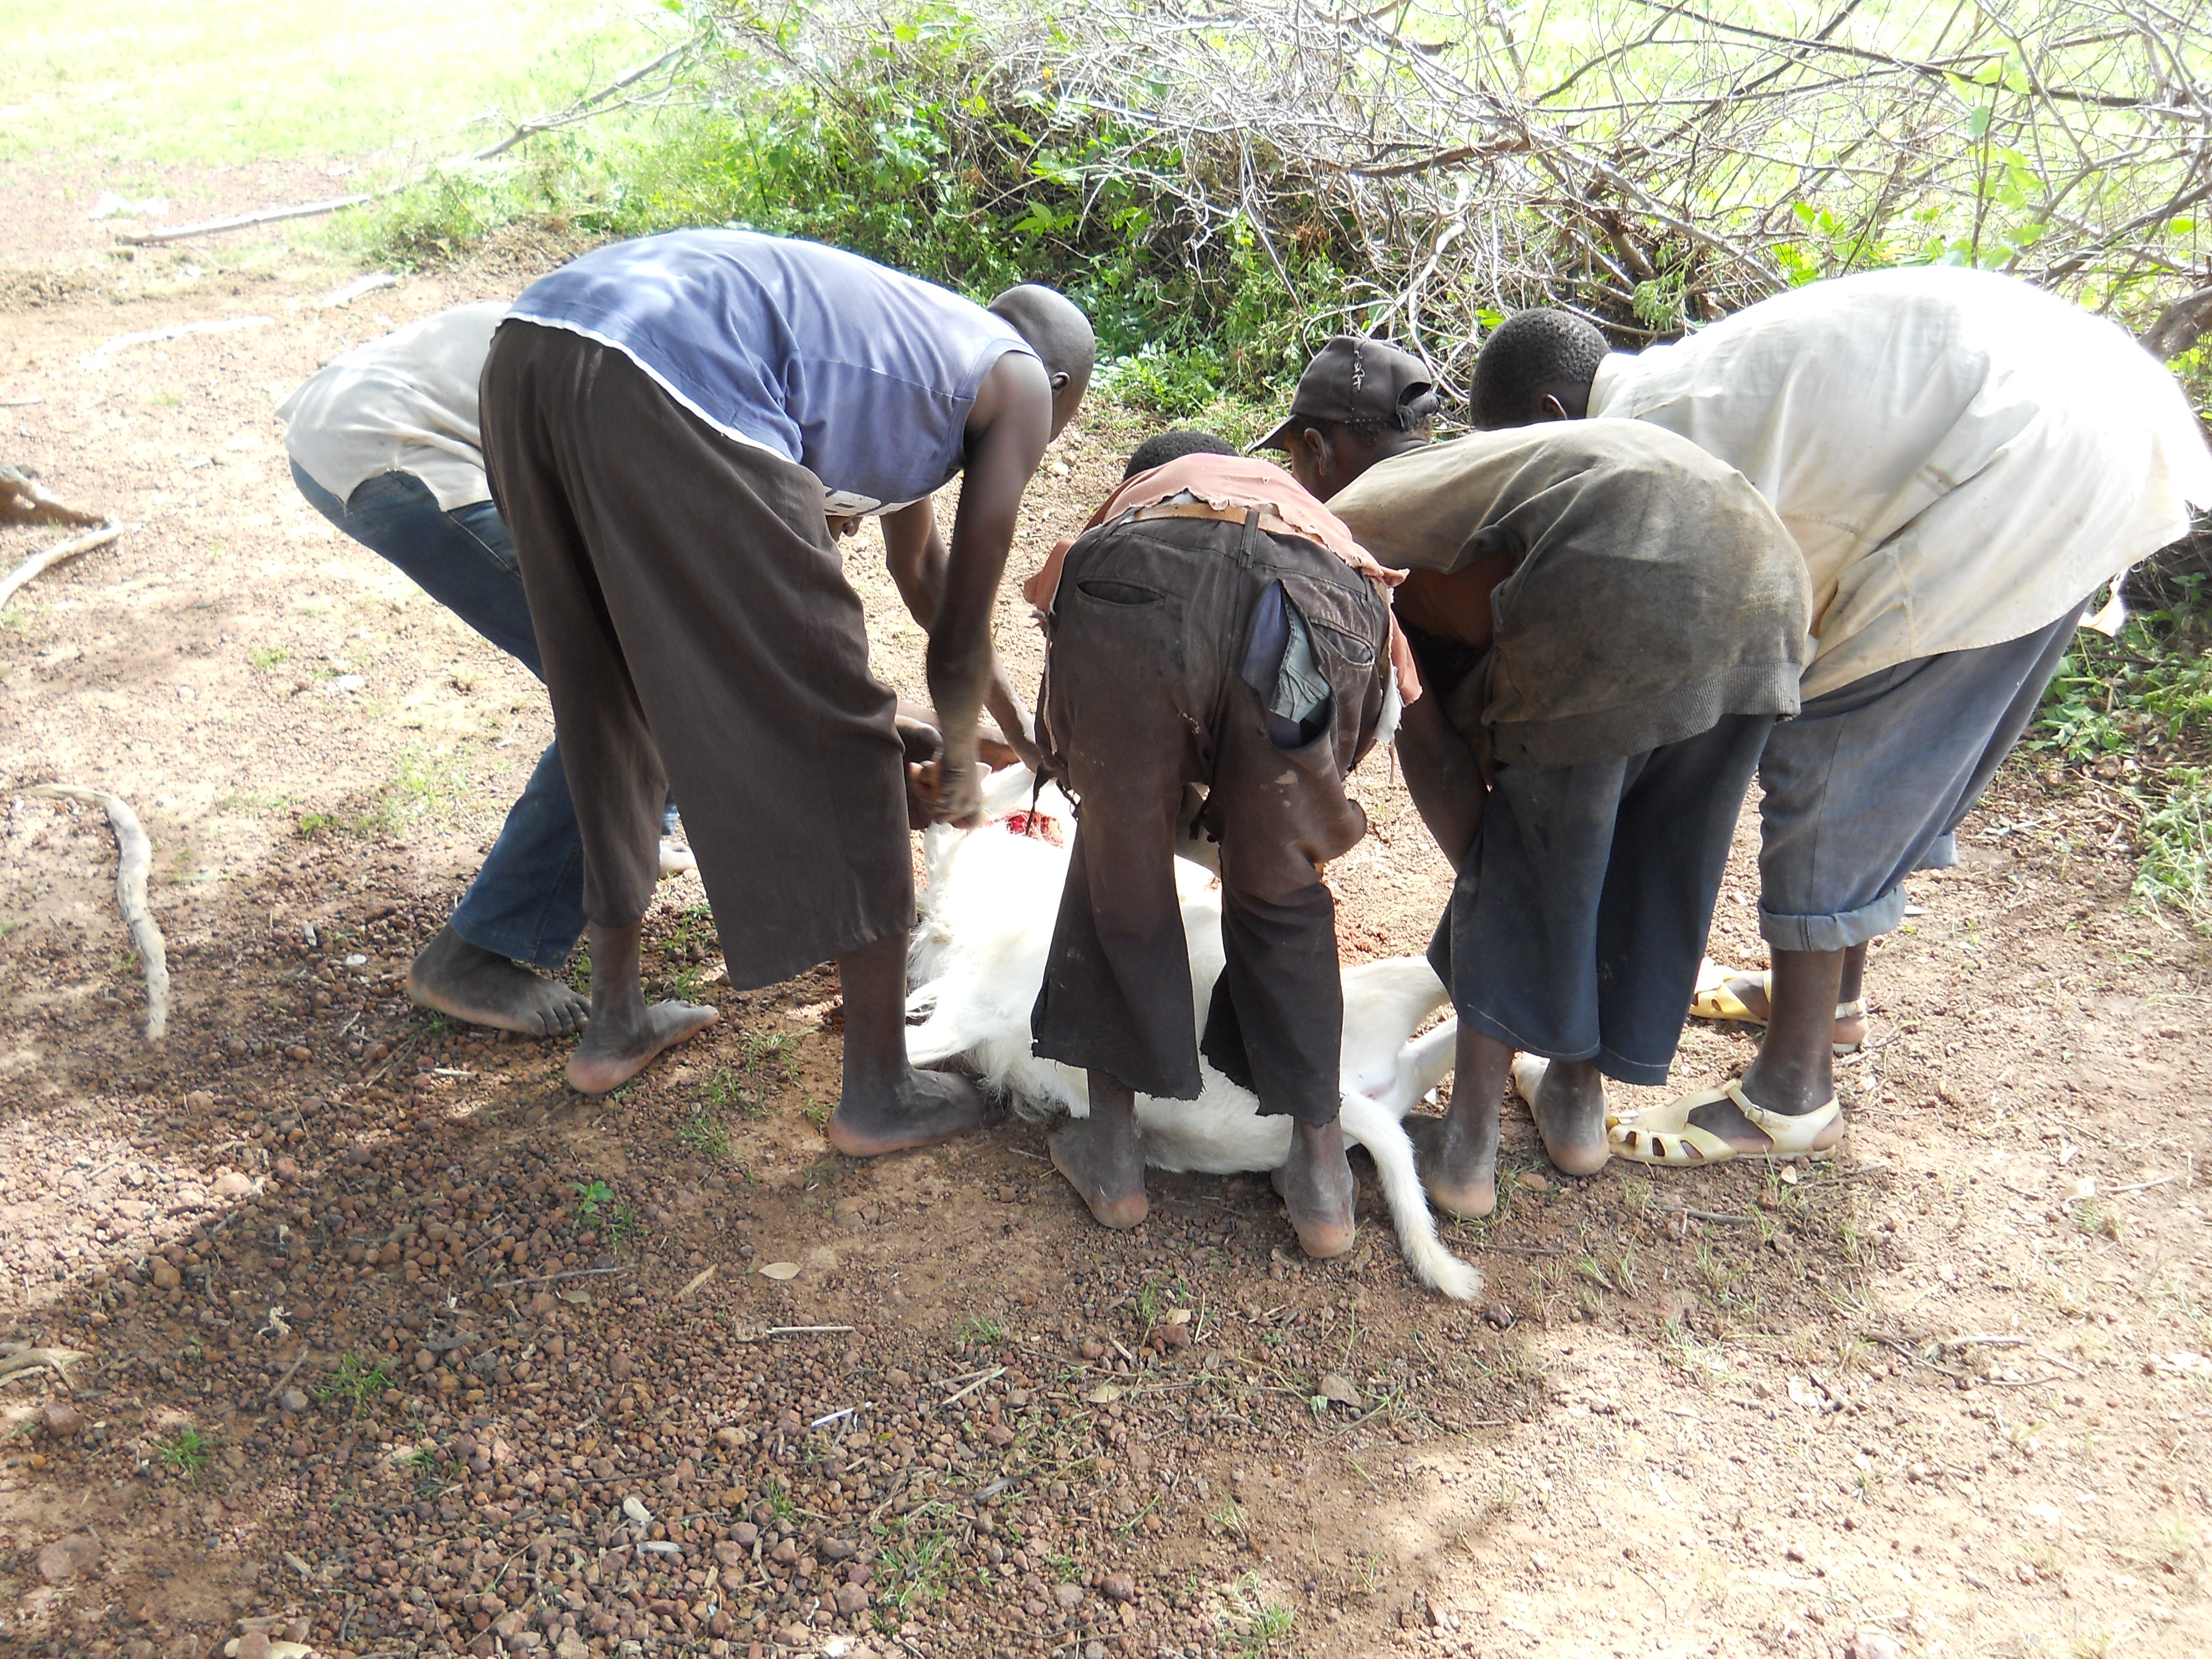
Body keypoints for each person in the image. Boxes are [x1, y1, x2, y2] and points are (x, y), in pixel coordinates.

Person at [1469, 268, 2212, 1165]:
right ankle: (1832, 1004)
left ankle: (1792, 1095)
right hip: (2088, 419)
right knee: (1861, 716)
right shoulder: (1687, 379)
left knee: (1833, 753)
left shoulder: (1646, 444)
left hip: (2030, 455)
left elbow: (1671, 678)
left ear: (1551, 415)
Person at [481, 230, 1093, 1156]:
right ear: (1060, 387)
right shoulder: (1014, 383)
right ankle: (879, 1089)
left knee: (611, 693)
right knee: (847, 734)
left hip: (532, 348)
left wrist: (1022, 736)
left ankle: (614, 1023)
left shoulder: (916, 347)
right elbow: (961, 625)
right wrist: (961, 758)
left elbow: (925, 575)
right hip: (670, 378)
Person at [1264, 337, 1813, 1213]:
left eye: (1295, 456)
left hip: (1623, 577)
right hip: (1766, 579)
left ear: (1319, 451)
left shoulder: (1354, 522)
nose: (1298, 477)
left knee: (1527, 857)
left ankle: (1468, 1151)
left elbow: (1434, 750)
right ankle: (1574, 1100)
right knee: (1649, 851)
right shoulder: (1490, 469)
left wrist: (1501, 884)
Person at [1020, 424, 1415, 1254]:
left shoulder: (1132, 513)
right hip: (1322, 609)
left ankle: (1116, 1161)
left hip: (1138, 598)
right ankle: (1321, 1184)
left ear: (1147, 479)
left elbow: (1064, 728)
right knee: (1282, 889)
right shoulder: (1314, 517)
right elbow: (1366, 726)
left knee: (1116, 870)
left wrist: (1130, 804)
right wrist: (1269, 828)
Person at [279, 302, 688, 1040]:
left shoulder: (692, 351)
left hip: (359, 415)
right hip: (399, 447)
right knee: (627, 697)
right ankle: (479, 954)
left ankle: (628, 830)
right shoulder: (716, 413)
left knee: (640, 681)